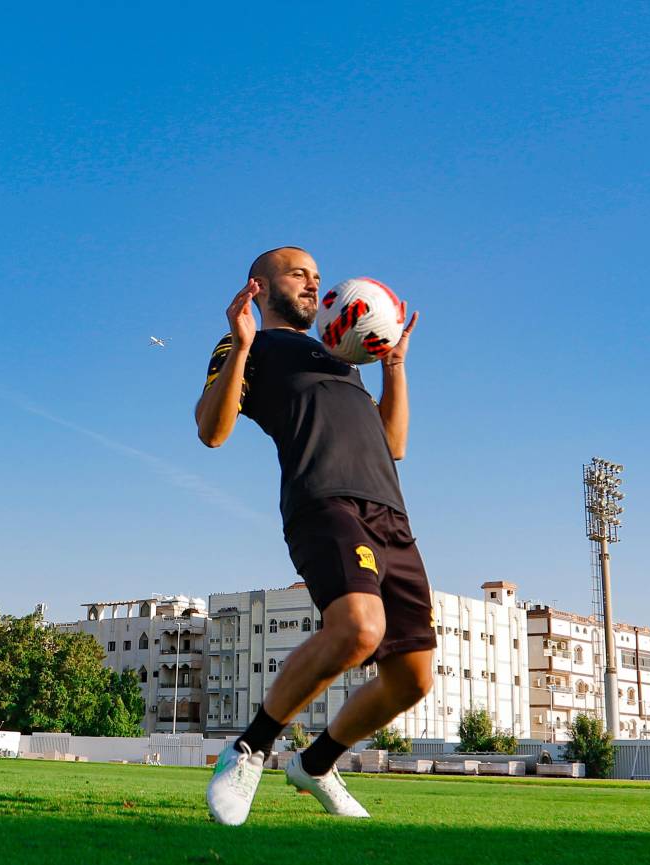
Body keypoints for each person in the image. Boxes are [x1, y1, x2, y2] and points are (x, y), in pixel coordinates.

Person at [195, 246, 436, 825]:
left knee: (413, 677)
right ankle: (250, 747)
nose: (312, 283)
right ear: (260, 284)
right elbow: (212, 429)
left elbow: (393, 444)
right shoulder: (251, 345)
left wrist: (395, 367)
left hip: (391, 515)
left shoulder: (345, 361)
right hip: (323, 502)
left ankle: (318, 764)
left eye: (318, 277)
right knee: (357, 627)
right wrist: (243, 345)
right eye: (299, 273)